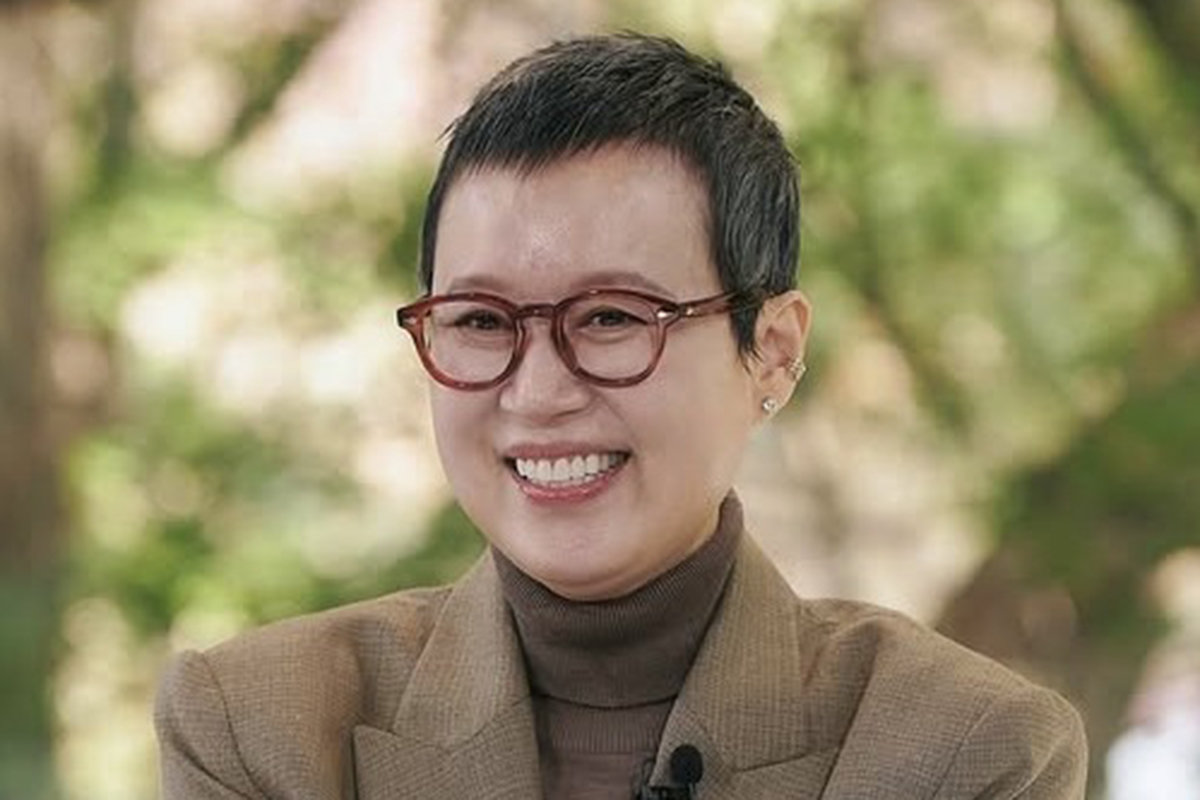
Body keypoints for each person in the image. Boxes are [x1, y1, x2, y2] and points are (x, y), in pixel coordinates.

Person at [155, 33, 1088, 799]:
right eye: (481, 321)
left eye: (612, 318)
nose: (537, 393)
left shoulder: (963, 751)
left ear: (772, 349)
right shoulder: (264, 728)